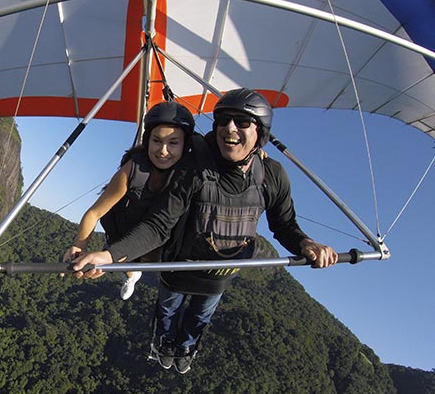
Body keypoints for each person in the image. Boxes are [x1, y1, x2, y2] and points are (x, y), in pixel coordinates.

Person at [71, 88, 338, 374]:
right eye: (223, 120)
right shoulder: (194, 166)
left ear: (260, 132)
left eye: (242, 122)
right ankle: (162, 343)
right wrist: (109, 255)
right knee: (167, 313)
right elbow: (160, 225)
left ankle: (186, 348)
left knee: (199, 318)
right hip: (178, 269)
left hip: (218, 277)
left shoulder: (271, 175)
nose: (230, 128)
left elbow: (284, 224)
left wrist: (305, 244)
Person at [63, 101, 196, 300]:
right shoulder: (134, 170)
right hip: (123, 225)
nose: (163, 150)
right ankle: (131, 274)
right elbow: (95, 212)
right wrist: (79, 246)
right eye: (157, 140)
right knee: (121, 257)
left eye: (173, 142)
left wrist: (257, 154)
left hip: (155, 233)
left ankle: (133, 270)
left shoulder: (186, 174)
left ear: (185, 145)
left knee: (139, 256)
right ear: (148, 140)